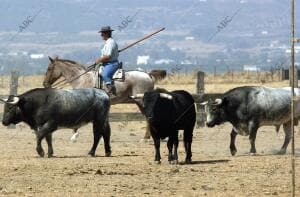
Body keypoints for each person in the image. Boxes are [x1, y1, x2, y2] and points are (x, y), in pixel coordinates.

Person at [95, 26, 119, 95]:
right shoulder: (108, 42)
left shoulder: (110, 43)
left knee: (105, 75)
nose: (101, 35)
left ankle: (111, 89)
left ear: (106, 34)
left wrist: (99, 60)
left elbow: (108, 56)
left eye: (102, 33)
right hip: (106, 63)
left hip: (111, 64)